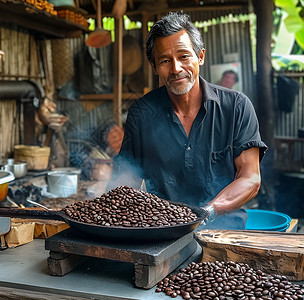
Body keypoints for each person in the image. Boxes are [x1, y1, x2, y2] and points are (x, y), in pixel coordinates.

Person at [109, 12, 267, 230]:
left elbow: (250, 179)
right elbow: (126, 182)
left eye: (184, 56)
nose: (175, 68)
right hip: (162, 233)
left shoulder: (237, 107)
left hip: (224, 231)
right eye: (165, 60)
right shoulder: (142, 113)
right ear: (154, 67)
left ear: (200, 56)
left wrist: (206, 213)